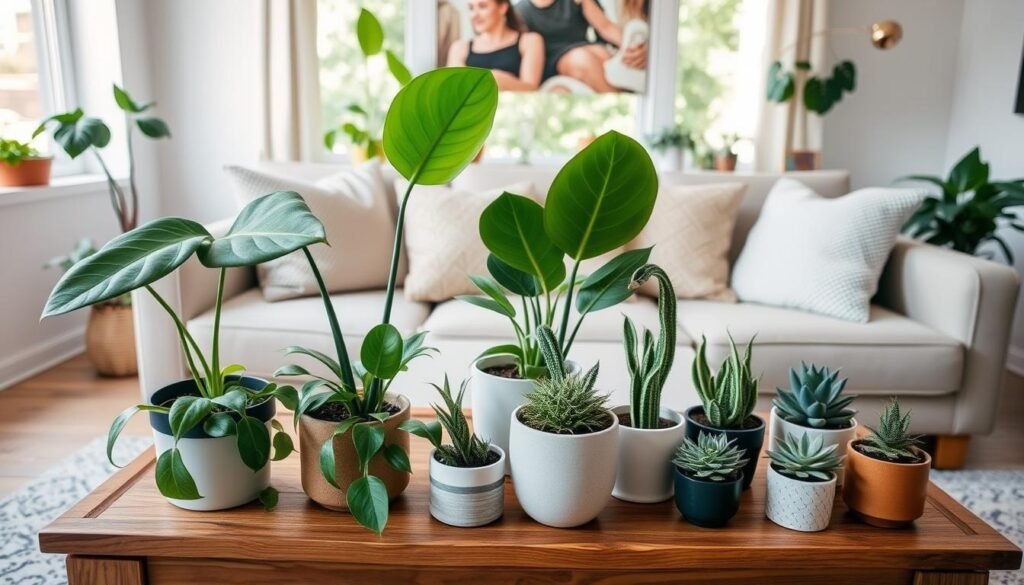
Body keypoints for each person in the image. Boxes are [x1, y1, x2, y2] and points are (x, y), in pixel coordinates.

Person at [516, 0, 647, 93]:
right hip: (556, 60)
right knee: (581, 59)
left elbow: (605, 27)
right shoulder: (521, 11)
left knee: (602, 54)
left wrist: (632, 48)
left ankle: (633, 83)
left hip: (586, 47)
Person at [447, 0, 545, 91]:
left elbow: (531, 89)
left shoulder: (529, 41)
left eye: (482, 6)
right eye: (471, 8)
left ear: (503, 7)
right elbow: (454, 89)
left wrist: (499, 79)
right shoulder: (459, 48)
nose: (474, 15)